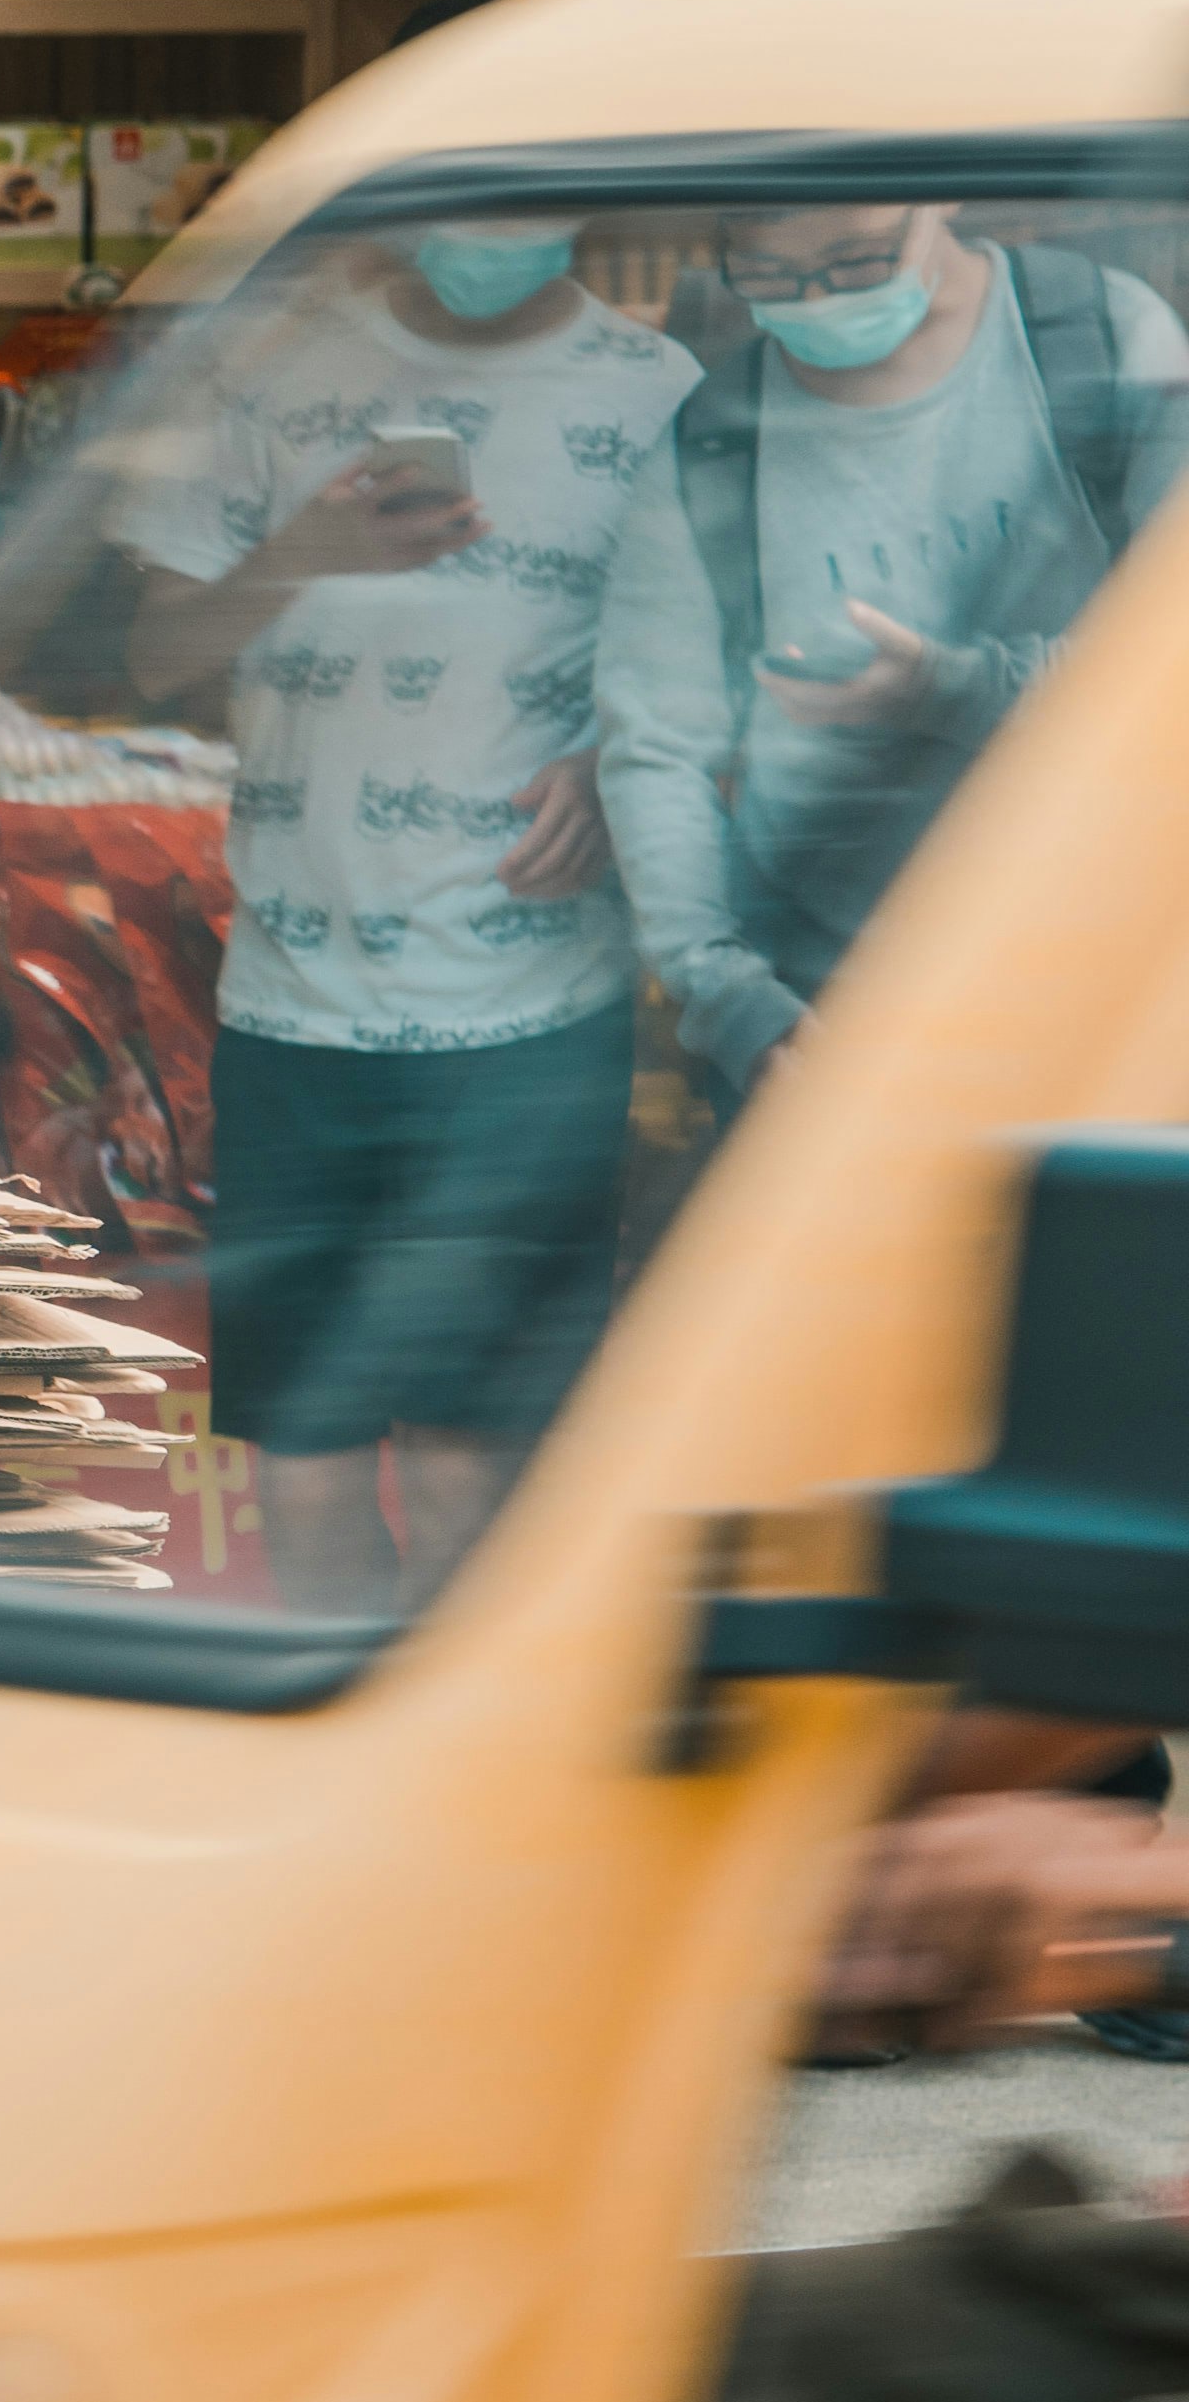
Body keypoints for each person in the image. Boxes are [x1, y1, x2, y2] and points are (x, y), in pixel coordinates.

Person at [113, 223, 700, 1612]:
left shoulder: (659, 388)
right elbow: (151, 659)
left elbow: (716, 679)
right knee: (302, 1490)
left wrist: (621, 771)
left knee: (469, 1486)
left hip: (531, 1024)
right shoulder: (265, 369)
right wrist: (302, 552)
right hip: (294, 1010)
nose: (486, 232)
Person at [595, 198, 1189, 1098]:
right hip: (819, 992)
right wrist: (729, 997)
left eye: (857, 261)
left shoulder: (1096, 335)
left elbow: (1167, 669)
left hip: (1093, 967)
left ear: (938, 196)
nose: (818, 300)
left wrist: (951, 689)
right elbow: (658, 749)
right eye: (770, 278)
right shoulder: (709, 438)